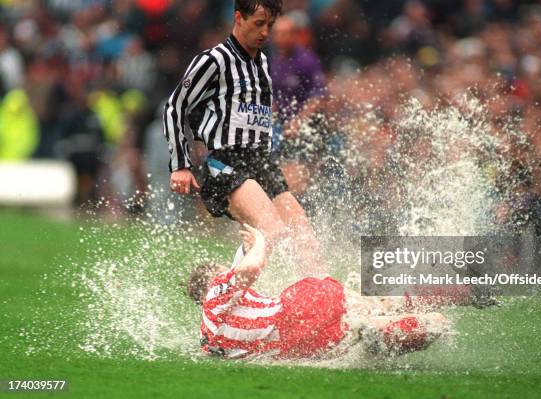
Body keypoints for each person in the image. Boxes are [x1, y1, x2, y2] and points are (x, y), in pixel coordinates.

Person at [163, 0, 323, 275]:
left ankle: (318, 296)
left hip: (261, 161)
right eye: (258, 23)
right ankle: (221, 298)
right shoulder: (214, 59)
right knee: (273, 233)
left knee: (305, 238)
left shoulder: (262, 60)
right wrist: (180, 165)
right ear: (239, 18)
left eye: (269, 25)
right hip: (227, 163)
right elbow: (175, 106)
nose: (265, 32)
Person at [186, 224, 449, 359]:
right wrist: (260, 242)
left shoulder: (208, 337)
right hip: (299, 310)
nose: (229, 275)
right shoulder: (216, 291)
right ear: (211, 281)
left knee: (376, 323)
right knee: (380, 305)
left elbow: (240, 269)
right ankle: (452, 289)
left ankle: (426, 321)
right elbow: (251, 268)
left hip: (296, 347)